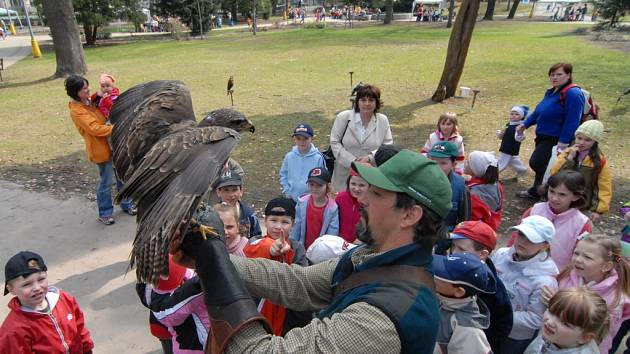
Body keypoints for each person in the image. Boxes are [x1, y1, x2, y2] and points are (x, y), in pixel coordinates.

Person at [170, 149, 453, 353]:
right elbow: (299, 282)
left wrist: (216, 269)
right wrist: (207, 256)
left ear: (409, 216)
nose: (361, 198)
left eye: (377, 194)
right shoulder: (372, 256)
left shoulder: (383, 319)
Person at [541, 233, 630, 354]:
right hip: (550, 342)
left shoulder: (614, 300)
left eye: (587, 257)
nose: (578, 259)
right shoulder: (567, 276)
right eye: (576, 253)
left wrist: (559, 303)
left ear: (606, 266)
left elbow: (603, 338)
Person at [65, 75, 135, 225]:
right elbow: (94, 129)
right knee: (106, 182)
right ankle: (105, 213)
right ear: (76, 92)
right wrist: (119, 126)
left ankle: (127, 203)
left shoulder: (90, 101)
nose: (88, 89)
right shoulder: (77, 111)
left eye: (87, 86)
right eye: (84, 88)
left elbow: (104, 105)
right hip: (101, 150)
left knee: (123, 176)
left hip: (115, 145)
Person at [0, 251, 94, 353]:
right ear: (11, 289)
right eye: (27, 284)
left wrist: (87, 348)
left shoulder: (64, 299)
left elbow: (79, 327)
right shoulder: (13, 330)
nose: (36, 288)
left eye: (41, 279)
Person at [517, 63, 585, 200]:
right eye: (552, 74)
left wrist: (564, 141)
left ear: (569, 75)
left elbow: (573, 119)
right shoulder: (552, 92)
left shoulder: (573, 93)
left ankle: (546, 191)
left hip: (556, 139)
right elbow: (539, 111)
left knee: (538, 162)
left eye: (559, 74)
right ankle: (539, 190)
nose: (554, 77)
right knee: (543, 165)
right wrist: (525, 124)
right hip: (543, 135)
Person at [492, 216, 559, 353]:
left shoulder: (545, 280)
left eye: (531, 239)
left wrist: (499, 315)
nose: (523, 241)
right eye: (521, 234)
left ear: (545, 245)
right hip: (489, 325)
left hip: (514, 337)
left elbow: (536, 318)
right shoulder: (500, 255)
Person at [244, 198, 309, 335]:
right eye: (273, 220)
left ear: (293, 224)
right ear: (265, 221)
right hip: (258, 309)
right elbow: (258, 248)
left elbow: (302, 278)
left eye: (285, 222)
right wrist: (273, 250)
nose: (278, 226)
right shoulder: (255, 242)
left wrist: (287, 255)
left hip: (287, 312)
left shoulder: (297, 249)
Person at [448, 220, 513, 354]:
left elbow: (503, 325)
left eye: (461, 249)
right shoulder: (447, 270)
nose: (454, 253)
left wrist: (477, 339)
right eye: (453, 246)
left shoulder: (493, 289)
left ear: (482, 254)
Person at [509, 171, 592, 271]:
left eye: (562, 194)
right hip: (521, 270)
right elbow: (515, 237)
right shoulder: (534, 210)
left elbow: (579, 258)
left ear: (576, 196)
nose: (554, 198)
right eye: (552, 191)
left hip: (556, 277)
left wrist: (560, 280)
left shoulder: (581, 224)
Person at [329, 84, 393, 192]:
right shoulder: (343, 117)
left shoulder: (382, 120)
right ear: (357, 102)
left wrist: (370, 158)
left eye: (371, 100)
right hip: (343, 177)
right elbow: (334, 142)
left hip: (371, 177)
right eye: (363, 100)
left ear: (376, 103)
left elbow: (388, 146)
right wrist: (353, 162)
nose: (367, 103)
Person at [432, 252, 496, 354]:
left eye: (443, 275)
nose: (435, 275)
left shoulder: (468, 330)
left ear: (459, 292)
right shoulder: (441, 298)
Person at [549, 120, 611, 223]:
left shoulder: (600, 162)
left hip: (583, 205)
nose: (581, 142)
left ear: (595, 142)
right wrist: (569, 159)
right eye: (579, 138)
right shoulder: (567, 153)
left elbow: (604, 187)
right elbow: (554, 173)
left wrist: (598, 210)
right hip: (562, 202)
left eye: (587, 140)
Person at [525, 287, 608, 354]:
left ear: (585, 337)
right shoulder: (554, 336)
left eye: (565, 323)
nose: (550, 322)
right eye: (551, 311)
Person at [290, 167, 339, 249]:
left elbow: (332, 234)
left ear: (328, 186)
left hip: (320, 251)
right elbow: (296, 226)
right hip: (302, 248)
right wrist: (293, 246)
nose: (315, 189)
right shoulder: (302, 202)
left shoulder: (332, 208)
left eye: (319, 185)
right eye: (311, 185)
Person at [428, 141, 471, 231]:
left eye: (443, 163)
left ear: (454, 164)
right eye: (433, 162)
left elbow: (465, 222)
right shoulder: (418, 181)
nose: (437, 167)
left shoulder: (461, 187)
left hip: (446, 240)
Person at [279, 123, 326, 202]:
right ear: (294, 139)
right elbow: (283, 174)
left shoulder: (318, 158)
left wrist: (315, 195)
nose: (301, 141)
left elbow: (322, 178)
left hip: (310, 200)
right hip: (291, 198)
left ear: (311, 139)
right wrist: (287, 192)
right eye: (298, 138)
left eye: (305, 138)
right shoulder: (289, 156)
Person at [213, 172, 262, 238]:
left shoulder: (249, 215)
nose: (231, 195)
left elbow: (257, 238)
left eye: (234, 190)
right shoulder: (211, 215)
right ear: (218, 192)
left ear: (241, 191)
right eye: (226, 190)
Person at [465, 151, 503, 231]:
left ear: (476, 169)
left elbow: (472, 217)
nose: (465, 163)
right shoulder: (497, 185)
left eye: (468, 162)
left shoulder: (472, 193)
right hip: (491, 226)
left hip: (475, 230)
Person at [335, 163, 369, 243]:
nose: (356, 189)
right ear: (348, 183)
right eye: (353, 184)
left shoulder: (370, 204)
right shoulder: (341, 198)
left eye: (362, 185)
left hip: (358, 245)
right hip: (339, 243)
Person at [497, 105, 528, 180]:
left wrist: (519, 132)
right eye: (512, 114)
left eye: (517, 114)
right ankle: (522, 169)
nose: (513, 116)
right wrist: (500, 134)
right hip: (506, 146)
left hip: (509, 148)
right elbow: (502, 136)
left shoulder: (520, 127)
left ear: (522, 116)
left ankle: (492, 174)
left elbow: (519, 139)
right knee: (513, 160)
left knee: (501, 163)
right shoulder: (508, 124)